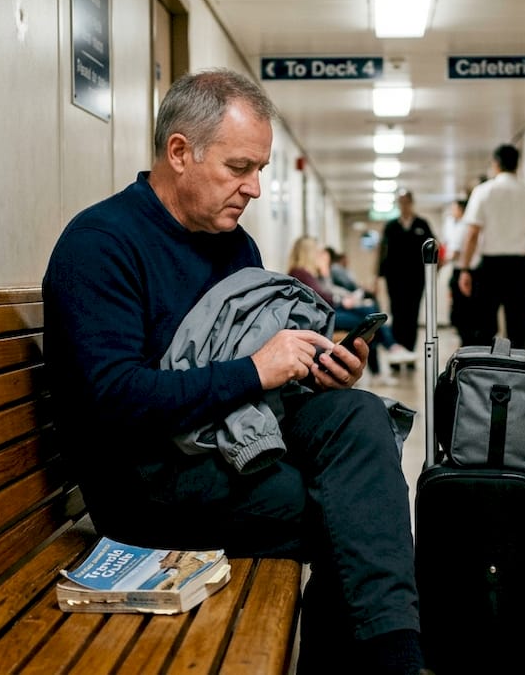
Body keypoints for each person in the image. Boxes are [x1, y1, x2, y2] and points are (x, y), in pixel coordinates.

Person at [42, 68, 425, 675]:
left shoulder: (233, 247)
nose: (253, 189)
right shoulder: (101, 245)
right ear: (180, 152)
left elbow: (257, 371)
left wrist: (314, 371)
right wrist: (255, 370)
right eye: (239, 168)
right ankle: (392, 661)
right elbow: (113, 400)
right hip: (149, 480)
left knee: (361, 414)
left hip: (233, 444)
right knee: (345, 511)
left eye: (260, 172)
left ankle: (388, 657)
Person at [287, 235, 413, 385]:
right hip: (321, 318)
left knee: (369, 314)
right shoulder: (300, 273)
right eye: (317, 252)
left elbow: (327, 294)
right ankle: (391, 348)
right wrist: (327, 275)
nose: (320, 256)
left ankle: (387, 354)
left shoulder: (310, 273)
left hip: (327, 313)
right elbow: (322, 298)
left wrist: (325, 274)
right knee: (367, 322)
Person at [457, 144, 525, 349]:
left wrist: (464, 268)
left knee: (485, 328)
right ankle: (517, 377)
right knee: (518, 328)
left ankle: (487, 374)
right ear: (517, 165)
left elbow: (472, 234)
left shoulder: (483, 191)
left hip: (491, 267)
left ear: (495, 164)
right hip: (520, 266)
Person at [378, 190, 435, 355]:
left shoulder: (422, 224)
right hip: (394, 278)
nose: (403, 206)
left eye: (406, 202)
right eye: (400, 203)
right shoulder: (391, 226)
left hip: (416, 278)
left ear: (411, 203)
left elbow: (433, 247)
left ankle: (410, 349)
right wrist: (378, 275)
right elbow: (383, 252)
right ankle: (398, 350)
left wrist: (432, 272)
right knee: (397, 312)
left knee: (412, 313)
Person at [441, 197, 475, 341]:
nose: (452, 212)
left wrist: (440, 264)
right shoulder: (460, 226)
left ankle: (467, 341)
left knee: (462, 311)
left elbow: (455, 252)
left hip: (463, 270)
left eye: (454, 208)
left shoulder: (463, 227)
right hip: (462, 270)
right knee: (463, 311)